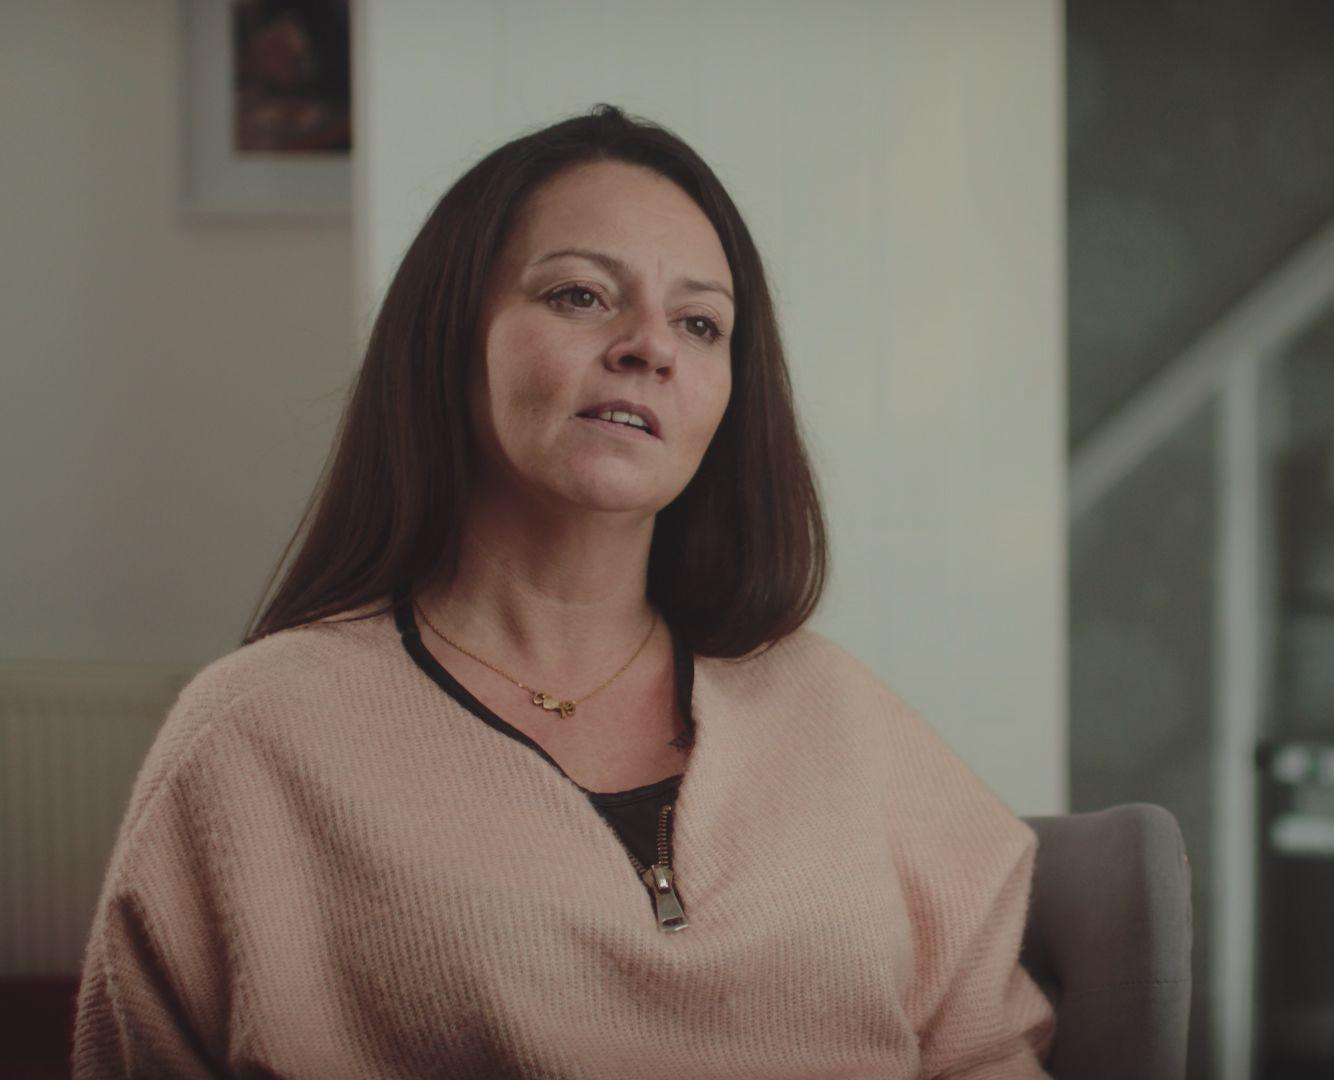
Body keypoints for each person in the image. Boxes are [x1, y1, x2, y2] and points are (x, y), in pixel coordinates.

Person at [72, 105, 1057, 1079]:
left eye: (701, 322)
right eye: (581, 296)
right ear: (452, 337)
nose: (650, 346)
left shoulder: (834, 706)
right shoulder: (251, 735)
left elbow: (987, 1052)